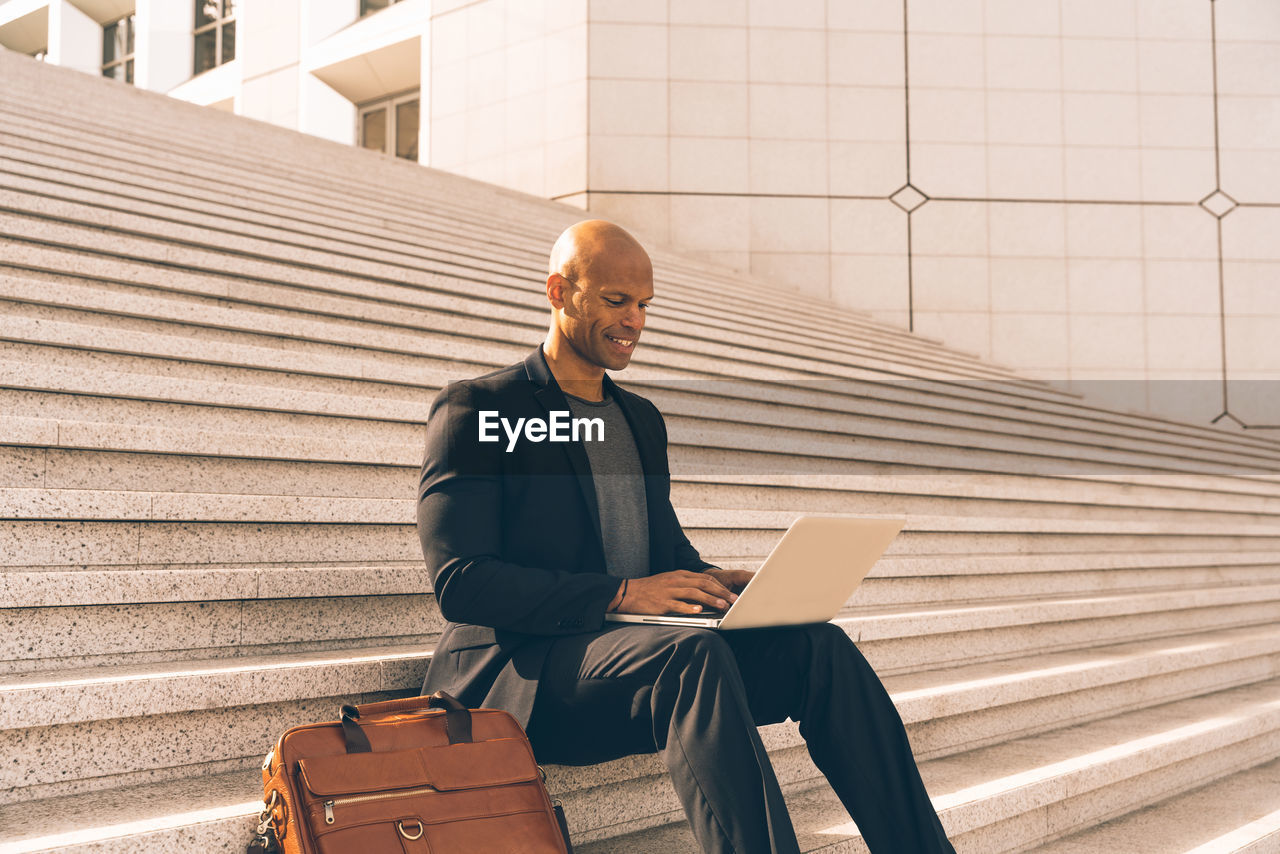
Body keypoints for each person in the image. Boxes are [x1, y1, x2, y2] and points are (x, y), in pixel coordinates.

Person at [416, 220, 955, 854]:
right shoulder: (480, 410)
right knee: (690, 658)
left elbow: (661, 553)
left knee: (819, 648)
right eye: (617, 300)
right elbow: (463, 583)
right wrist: (621, 593)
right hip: (521, 676)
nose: (635, 321)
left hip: (629, 654)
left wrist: (713, 584)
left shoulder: (638, 420)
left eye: (644, 305)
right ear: (559, 292)